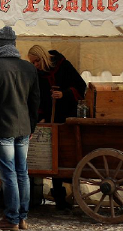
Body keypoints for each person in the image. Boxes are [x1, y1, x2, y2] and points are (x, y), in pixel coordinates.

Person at [0, 26, 40, 231]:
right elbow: (35, 101)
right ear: (14, 44)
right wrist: (32, 124)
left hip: (2, 128)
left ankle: (12, 219)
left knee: (9, 174)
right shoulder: (29, 69)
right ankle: (22, 218)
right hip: (23, 128)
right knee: (22, 172)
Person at [27, 44, 87, 211]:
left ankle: (65, 197)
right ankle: (58, 198)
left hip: (66, 118)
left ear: (43, 58)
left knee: (63, 157)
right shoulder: (37, 74)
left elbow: (81, 87)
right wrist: (40, 116)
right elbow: (37, 96)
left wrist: (64, 94)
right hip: (50, 119)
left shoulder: (63, 66)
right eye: (32, 62)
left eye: (37, 61)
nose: (35, 65)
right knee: (51, 157)